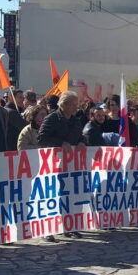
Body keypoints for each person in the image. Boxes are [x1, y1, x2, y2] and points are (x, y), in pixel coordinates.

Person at [37, 92, 87, 240]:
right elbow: (42, 138)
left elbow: (81, 135)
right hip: (53, 165)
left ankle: (70, 226)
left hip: (71, 166)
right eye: (73, 104)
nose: (76, 107)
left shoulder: (76, 120)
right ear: (63, 104)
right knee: (52, 197)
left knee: (71, 195)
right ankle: (47, 230)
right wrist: (60, 143)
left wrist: (82, 142)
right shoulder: (51, 118)